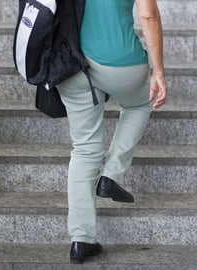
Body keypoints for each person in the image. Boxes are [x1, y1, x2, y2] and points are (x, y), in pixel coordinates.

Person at [55, 0, 167, 264]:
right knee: (141, 102)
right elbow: (148, 16)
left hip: (71, 62)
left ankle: (81, 240)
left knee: (84, 149)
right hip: (122, 61)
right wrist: (159, 70)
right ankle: (111, 175)